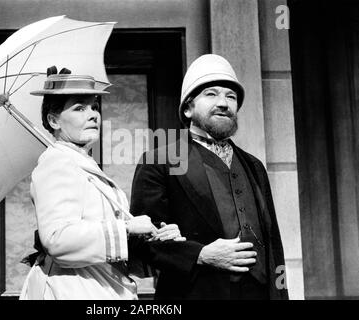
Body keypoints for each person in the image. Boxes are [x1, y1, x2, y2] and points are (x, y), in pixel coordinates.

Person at [130, 54, 288, 300]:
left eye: (231, 96)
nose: (223, 103)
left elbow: (274, 247)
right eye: (211, 94)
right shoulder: (158, 162)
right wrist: (200, 254)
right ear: (188, 108)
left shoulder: (254, 166)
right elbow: (141, 243)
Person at [19, 67, 184, 300]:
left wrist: (157, 241)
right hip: (71, 290)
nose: (94, 114)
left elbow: (109, 255)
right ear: (53, 120)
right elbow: (57, 240)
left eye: (95, 107)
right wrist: (126, 228)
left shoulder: (83, 165)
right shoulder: (56, 163)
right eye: (79, 108)